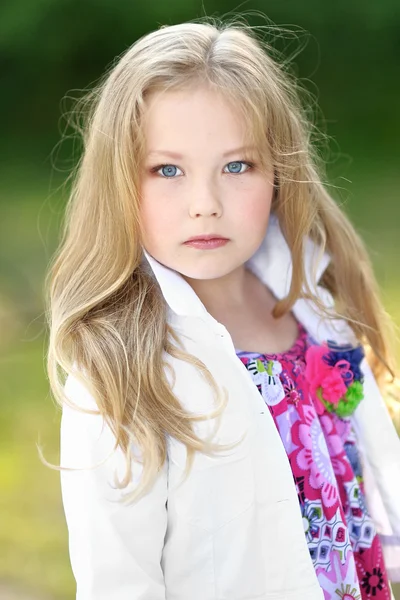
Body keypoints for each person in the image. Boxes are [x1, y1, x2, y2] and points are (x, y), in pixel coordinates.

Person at [45, 17, 400, 600]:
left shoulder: (315, 307)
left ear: (279, 173)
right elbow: (120, 583)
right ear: (118, 181)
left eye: (237, 166)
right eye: (167, 170)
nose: (205, 204)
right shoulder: (120, 370)